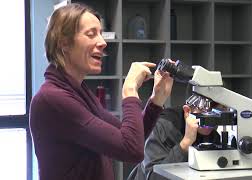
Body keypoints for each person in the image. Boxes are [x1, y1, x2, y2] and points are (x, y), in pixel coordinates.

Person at [29, 3, 173, 180]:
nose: (103, 42)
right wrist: (129, 90)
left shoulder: (78, 92)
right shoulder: (52, 99)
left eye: (101, 34)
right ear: (64, 43)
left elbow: (132, 137)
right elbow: (131, 150)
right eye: (91, 34)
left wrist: (156, 100)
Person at [129, 98, 222, 180]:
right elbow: (154, 177)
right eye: (206, 114)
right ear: (187, 111)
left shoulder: (213, 135)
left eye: (216, 114)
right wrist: (185, 144)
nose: (211, 122)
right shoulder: (162, 126)